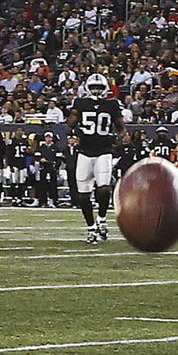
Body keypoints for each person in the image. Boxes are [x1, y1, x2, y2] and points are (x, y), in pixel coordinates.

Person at [65, 73, 125, 244]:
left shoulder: (112, 104)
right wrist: (72, 135)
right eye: (93, 87)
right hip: (84, 151)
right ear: (88, 88)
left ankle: (102, 218)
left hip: (104, 151)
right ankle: (91, 228)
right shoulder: (80, 103)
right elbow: (70, 124)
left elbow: (120, 125)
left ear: (105, 88)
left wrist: (122, 136)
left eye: (99, 87)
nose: (97, 91)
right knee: (83, 195)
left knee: (104, 188)